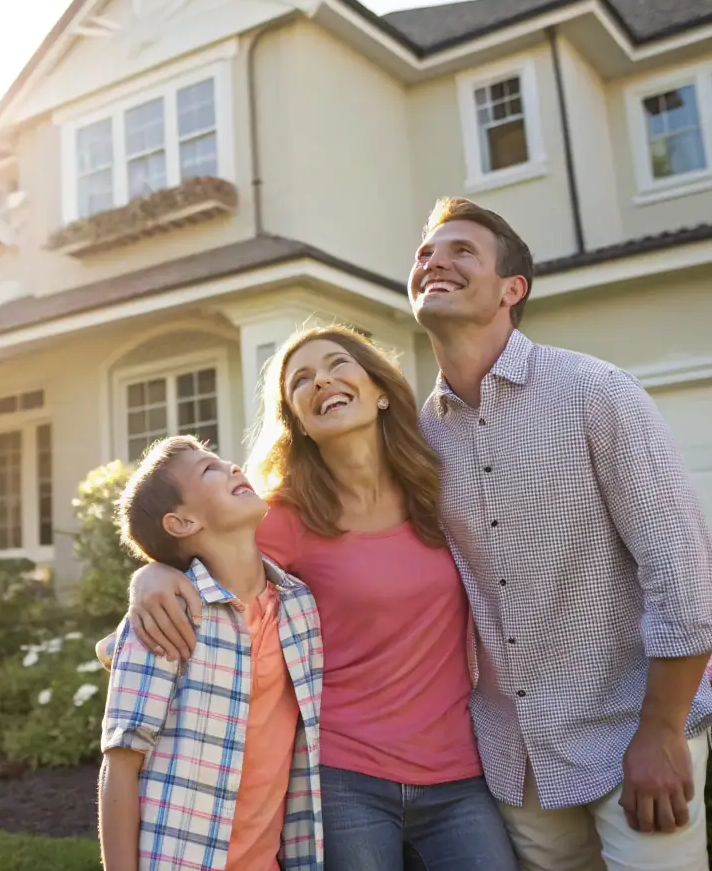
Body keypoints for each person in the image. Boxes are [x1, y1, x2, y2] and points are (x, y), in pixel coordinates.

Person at [109, 330, 520, 870]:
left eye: (336, 364)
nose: (321, 379)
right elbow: (203, 560)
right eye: (301, 380)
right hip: (345, 780)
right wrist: (154, 575)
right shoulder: (284, 516)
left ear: (379, 390)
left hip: (458, 774)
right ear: (297, 420)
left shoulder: (441, 488)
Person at [408, 196, 712, 871]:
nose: (433, 261)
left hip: (631, 733)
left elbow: (681, 571)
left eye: (461, 250)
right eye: (425, 253)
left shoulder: (594, 391)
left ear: (510, 289)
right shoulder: (416, 439)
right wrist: (162, 571)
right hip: (514, 756)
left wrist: (662, 730)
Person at [98, 435, 324, 871]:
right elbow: (120, 767)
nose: (233, 468)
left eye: (224, 462)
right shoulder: (168, 619)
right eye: (208, 470)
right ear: (181, 523)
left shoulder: (300, 607)